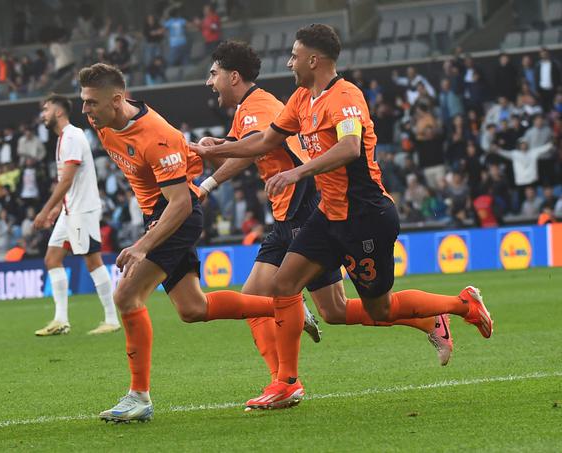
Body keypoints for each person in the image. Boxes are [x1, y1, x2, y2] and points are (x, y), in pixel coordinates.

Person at [190, 25, 493, 411]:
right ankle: (286, 383)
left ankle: (461, 304)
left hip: (365, 217)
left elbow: (350, 147)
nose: (289, 62)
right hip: (327, 215)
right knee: (284, 286)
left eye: (295, 56)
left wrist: (297, 172)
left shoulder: (347, 97)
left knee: (379, 309)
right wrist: (218, 148)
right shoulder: (300, 98)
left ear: (314, 60)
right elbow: (266, 141)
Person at [78, 63, 306, 423]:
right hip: (157, 211)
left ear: (117, 99)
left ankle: (139, 397)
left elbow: (182, 203)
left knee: (126, 295)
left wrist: (141, 245)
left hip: (176, 214)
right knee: (192, 309)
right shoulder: (102, 121)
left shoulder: (156, 135)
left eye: (91, 103)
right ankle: (282, 308)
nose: (85, 111)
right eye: (84, 102)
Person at [32, 94, 121, 336]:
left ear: (59, 112)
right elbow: (70, 181)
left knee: (93, 261)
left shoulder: (72, 136)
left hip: (83, 210)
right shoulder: (64, 138)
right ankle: (61, 320)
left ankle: (112, 319)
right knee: (52, 258)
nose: (43, 114)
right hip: (71, 209)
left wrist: (46, 209)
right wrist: (58, 208)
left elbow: (68, 179)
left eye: (46, 108)